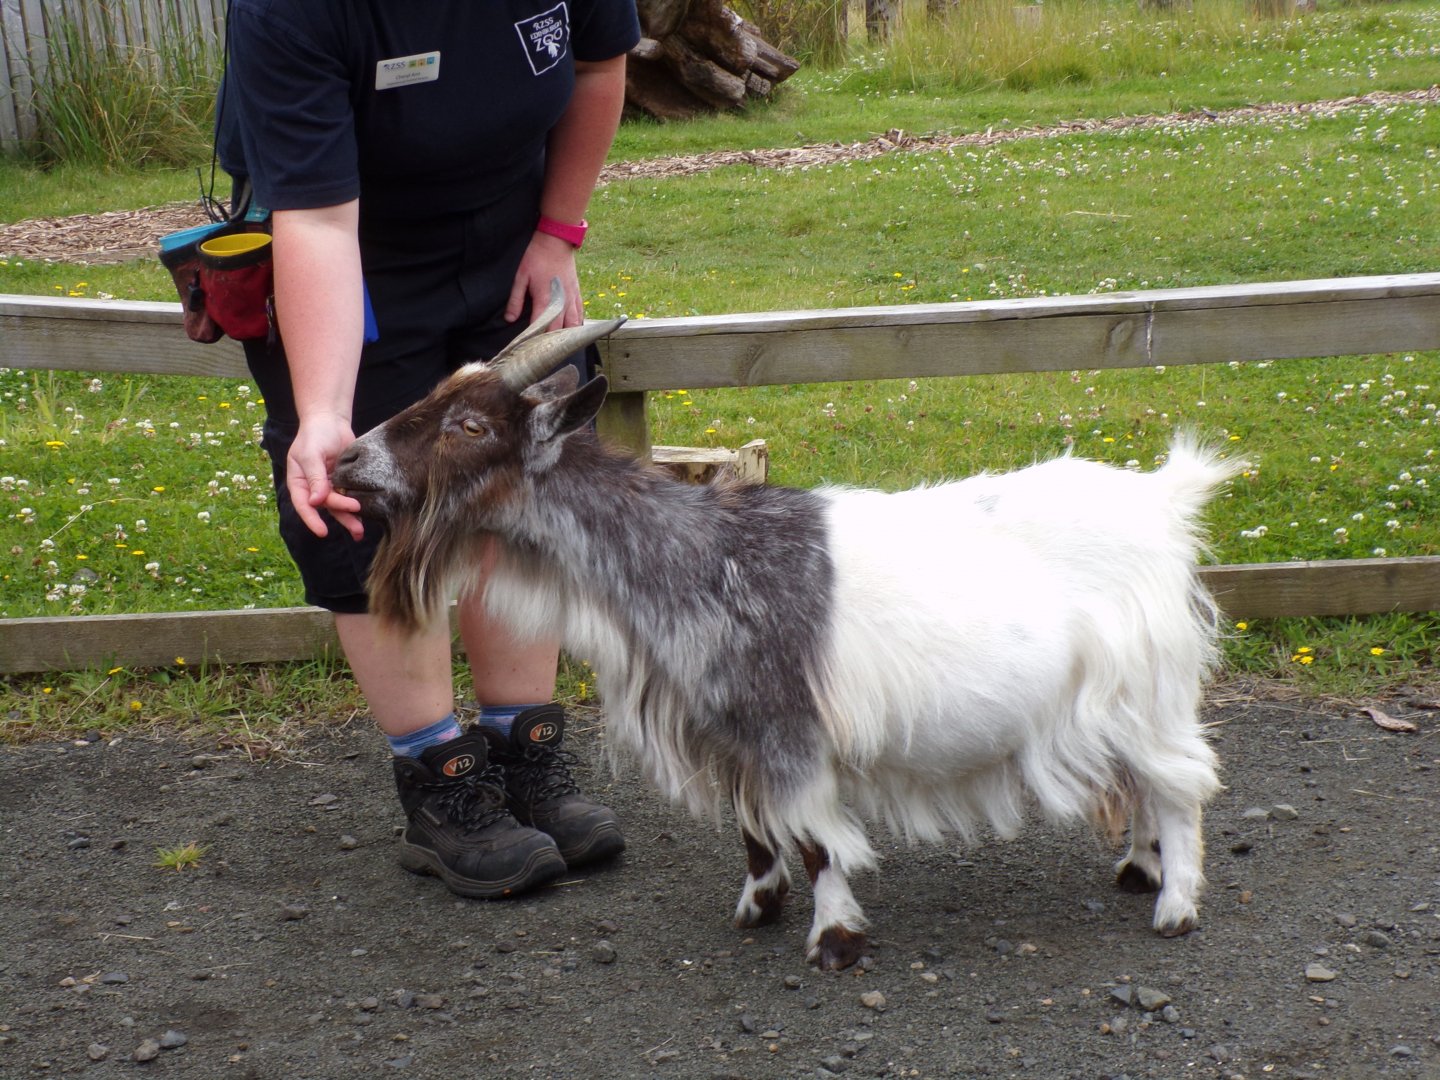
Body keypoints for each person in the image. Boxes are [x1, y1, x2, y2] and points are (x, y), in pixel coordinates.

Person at [217, 0, 641, 899]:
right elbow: (320, 222)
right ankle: (440, 781)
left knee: (523, 472)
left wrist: (558, 230)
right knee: (361, 497)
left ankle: (523, 749)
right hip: (351, 254)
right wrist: (324, 410)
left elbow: (601, 68)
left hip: (504, 225)